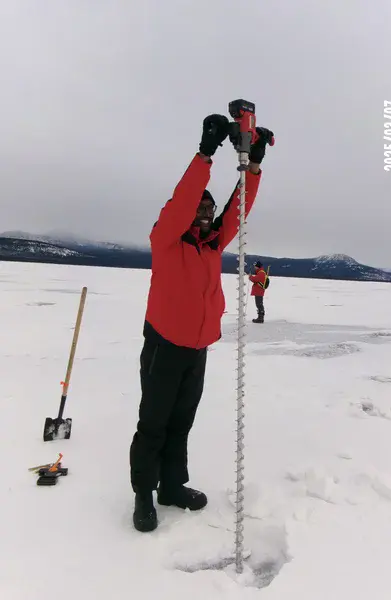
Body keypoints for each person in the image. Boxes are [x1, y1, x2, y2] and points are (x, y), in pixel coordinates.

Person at [129, 113, 274, 532]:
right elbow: (179, 204)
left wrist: (253, 167)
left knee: (181, 421)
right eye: (201, 210)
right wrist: (206, 154)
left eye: (210, 211)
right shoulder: (166, 241)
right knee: (153, 422)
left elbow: (237, 209)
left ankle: (172, 486)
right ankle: (143, 493)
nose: (209, 216)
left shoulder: (212, 245)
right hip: (164, 343)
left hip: (197, 348)